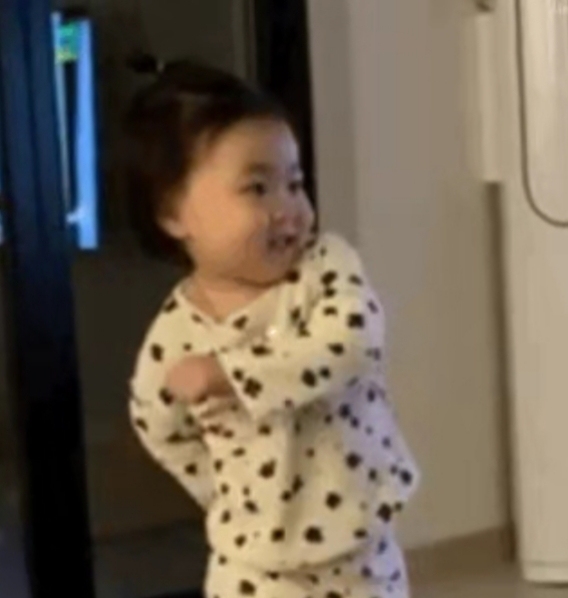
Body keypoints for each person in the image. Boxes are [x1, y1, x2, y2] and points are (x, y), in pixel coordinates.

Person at [124, 58, 420, 598]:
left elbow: (352, 344)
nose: (289, 208)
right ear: (173, 214)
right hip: (253, 569)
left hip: (362, 555)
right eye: (258, 188)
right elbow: (157, 423)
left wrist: (232, 374)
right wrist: (227, 495)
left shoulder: (324, 268)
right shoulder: (175, 333)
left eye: (295, 183)